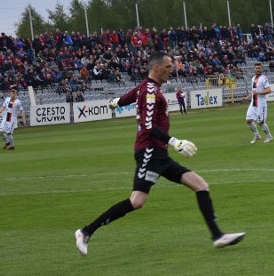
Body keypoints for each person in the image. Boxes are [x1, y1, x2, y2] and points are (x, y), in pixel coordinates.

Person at [74, 51, 244, 254]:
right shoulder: (150, 91)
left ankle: (218, 236)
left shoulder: (144, 87)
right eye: (168, 66)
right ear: (156, 68)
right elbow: (147, 126)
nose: (171, 70)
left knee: (200, 186)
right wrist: (175, 142)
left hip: (158, 154)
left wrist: (116, 102)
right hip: (149, 152)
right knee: (136, 201)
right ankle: (85, 232)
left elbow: (127, 98)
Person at [244, 62, 274, 143]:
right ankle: (257, 135)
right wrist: (248, 97)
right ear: (254, 69)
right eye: (256, 68)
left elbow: (269, 90)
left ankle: (269, 136)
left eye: (259, 68)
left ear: (262, 69)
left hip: (261, 103)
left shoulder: (263, 78)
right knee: (248, 120)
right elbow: (254, 91)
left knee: (260, 122)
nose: (258, 70)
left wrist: (259, 93)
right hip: (253, 103)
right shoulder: (253, 78)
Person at [0, 86, 27, 150]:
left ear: (14, 94)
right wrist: (0, 111)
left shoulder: (18, 102)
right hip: (6, 116)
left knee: (8, 133)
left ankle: (12, 146)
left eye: (11, 93)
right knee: (1, 132)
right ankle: (7, 142)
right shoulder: (7, 99)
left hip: (12, 117)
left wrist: (24, 120)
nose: (10, 94)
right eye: (10, 93)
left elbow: (21, 111)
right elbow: (4, 106)